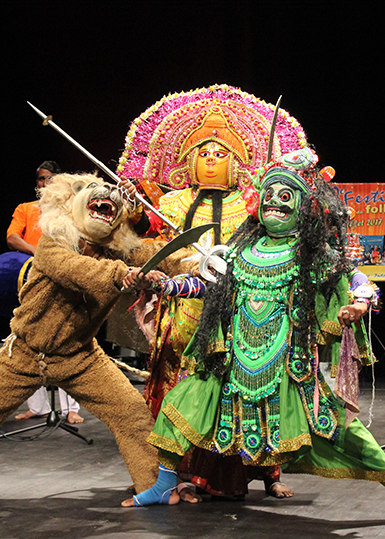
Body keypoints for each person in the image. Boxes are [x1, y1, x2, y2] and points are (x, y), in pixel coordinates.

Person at [121, 146, 385, 507]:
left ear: (304, 207)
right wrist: (164, 285)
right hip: (231, 363)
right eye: (270, 194)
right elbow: (204, 284)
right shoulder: (240, 249)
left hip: (287, 369)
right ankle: (164, 484)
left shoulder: (311, 253)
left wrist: (359, 304)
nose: (275, 201)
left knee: (340, 432)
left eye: (286, 195)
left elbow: (357, 279)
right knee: (178, 406)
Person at [117, 86, 307, 499]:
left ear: (237, 162)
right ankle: (171, 473)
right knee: (177, 384)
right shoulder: (168, 203)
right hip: (183, 308)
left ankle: (259, 473)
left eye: (220, 154)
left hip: (240, 310)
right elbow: (146, 240)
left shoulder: (253, 204)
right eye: (203, 153)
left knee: (250, 387)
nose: (211, 160)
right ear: (187, 160)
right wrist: (137, 215)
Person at [0, 172, 196, 497]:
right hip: (24, 354)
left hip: (81, 357)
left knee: (131, 413)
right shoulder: (52, 243)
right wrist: (124, 275)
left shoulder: (114, 250)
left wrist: (197, 262)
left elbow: (156, 254)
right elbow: (77, 270)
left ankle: (155, 488)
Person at [5, 161, 83, 424]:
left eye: (49, 179)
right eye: (40, 179)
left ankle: (71, 408)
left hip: (60, 278)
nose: (44, 184)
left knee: (63, 338)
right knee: (28, 338)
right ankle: (37, 407)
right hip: (30, 277)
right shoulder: (26, 209)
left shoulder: (69, 211)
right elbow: (12, 238)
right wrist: (37, 252)